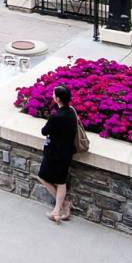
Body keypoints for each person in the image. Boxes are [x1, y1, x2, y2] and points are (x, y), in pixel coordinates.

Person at [39, 84, 79, 223]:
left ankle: (59, 208)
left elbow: (44, 131)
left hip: (54, 153)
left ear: (58, 99)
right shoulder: (71, 112)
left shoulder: (56, 116)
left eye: (53, 94)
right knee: (61, 181)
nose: (52, 96)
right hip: (67, 152)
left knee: (43, 177)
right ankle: (62, 206)